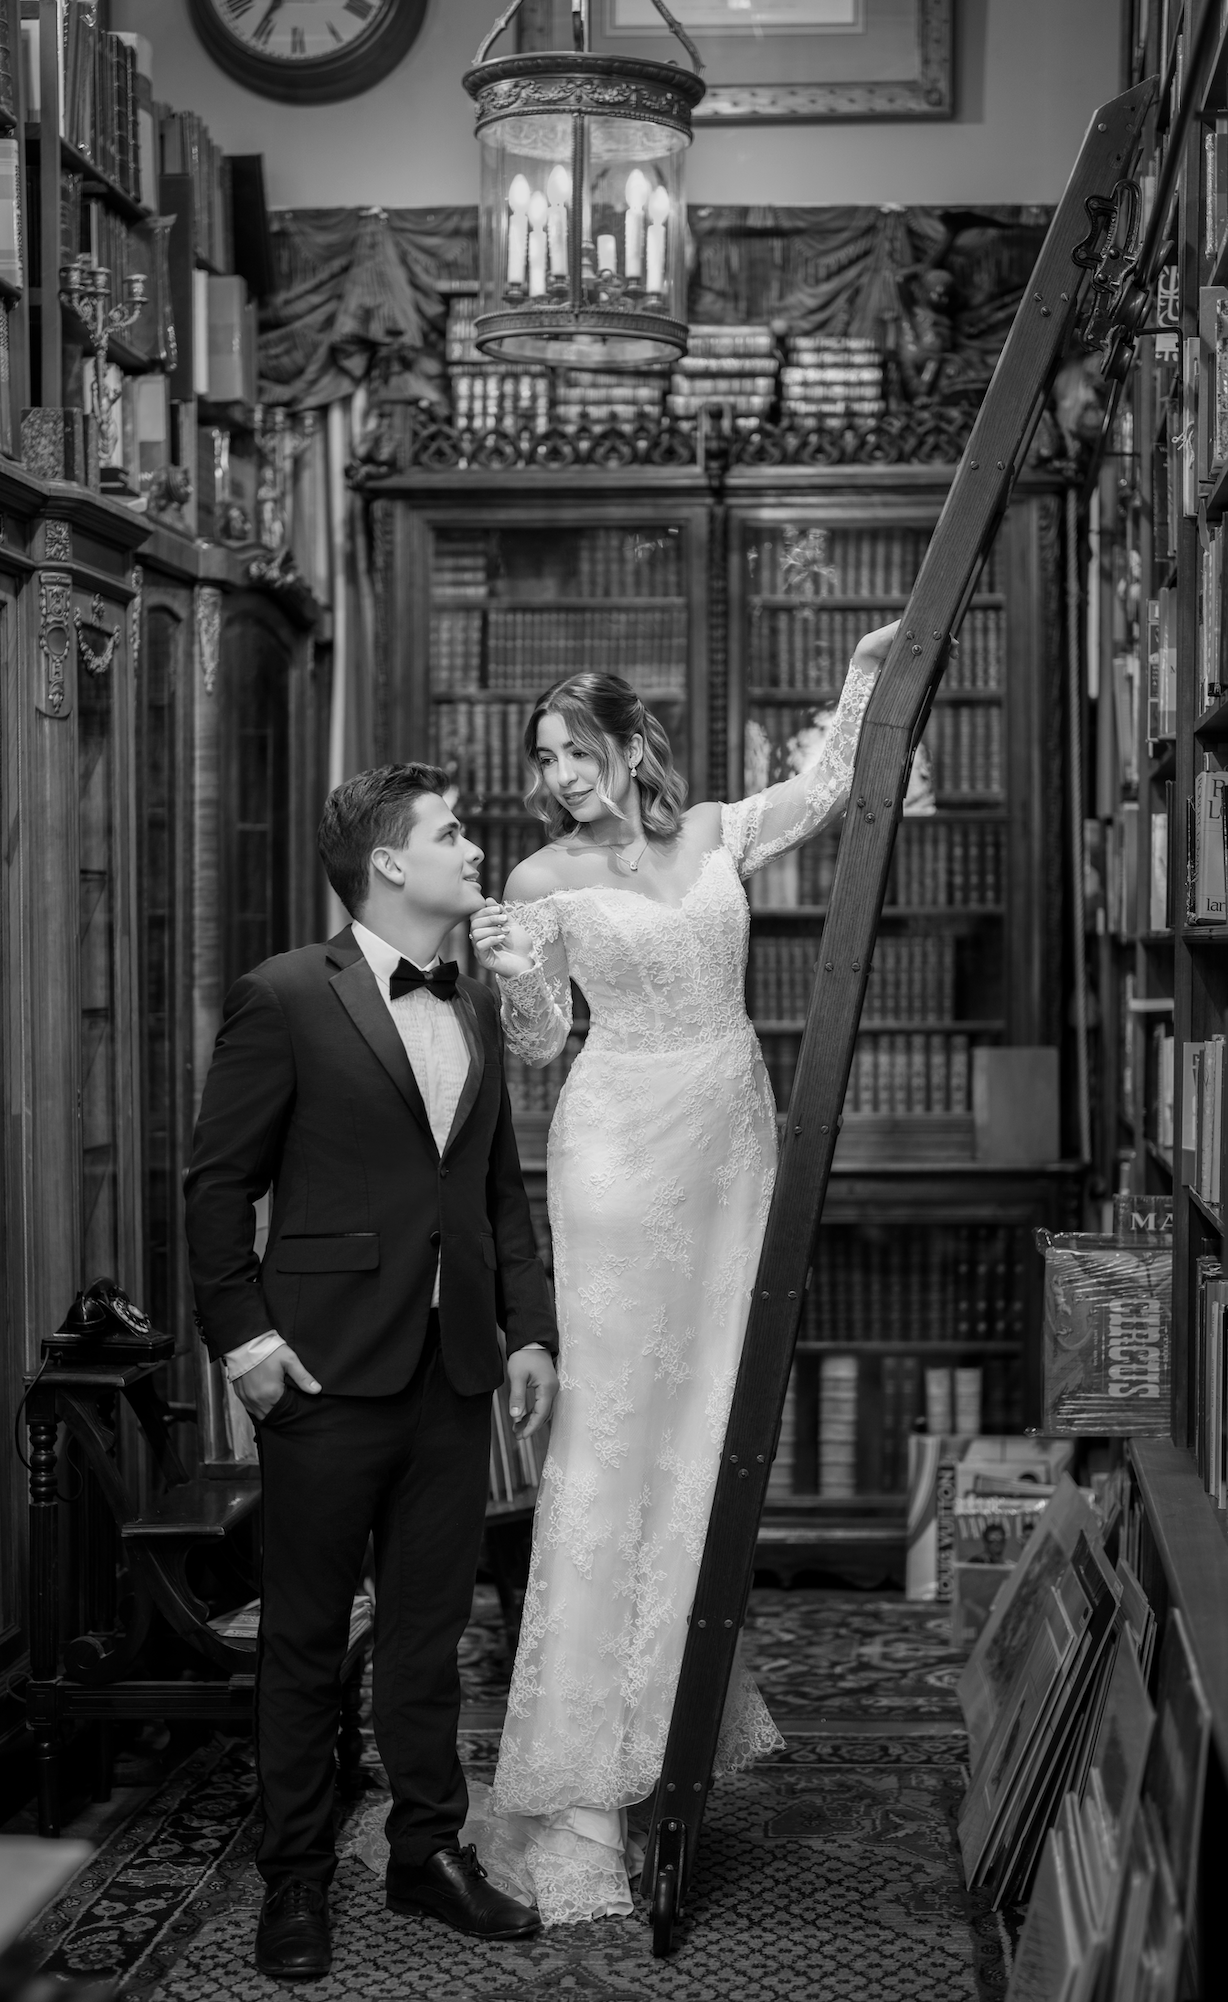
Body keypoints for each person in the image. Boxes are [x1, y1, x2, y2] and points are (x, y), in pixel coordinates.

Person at [467, 623, 897, 1925]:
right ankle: (583, 1792)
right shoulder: (538, 873)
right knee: (612, 1447)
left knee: (706, 1438)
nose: (558, 774)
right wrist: (515, 973)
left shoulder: (713, 831)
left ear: (627, 741)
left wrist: (866, 670)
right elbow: (541, 1043)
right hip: (615, 1149)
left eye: (574, 749)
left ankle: (666, 1728)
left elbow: (828, 790)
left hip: (729, 1141)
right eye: (543, 757)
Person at [185, 764, 560, 1981]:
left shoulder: (476, 1000)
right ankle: (294, 1877)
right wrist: (246, 1344)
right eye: (451, 831)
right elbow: (216, 1186)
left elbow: (497, 1189)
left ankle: (425, 1851)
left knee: (428, 1636)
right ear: (390, 862)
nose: (473, 846)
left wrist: (527, 1330)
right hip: (322, 1375)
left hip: (452, 1371)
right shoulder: (286, 994)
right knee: (305, 1639)